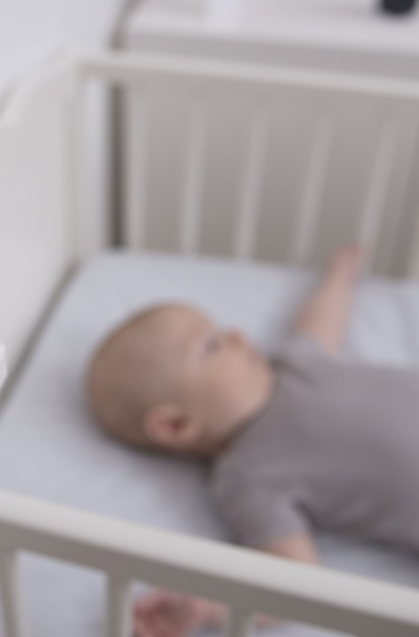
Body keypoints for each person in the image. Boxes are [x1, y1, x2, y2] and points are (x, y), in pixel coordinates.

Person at [86, 247, 419, 637]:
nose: (236, 334)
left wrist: (338, 277)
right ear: (176, 425)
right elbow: (290, 579)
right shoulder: (248, 475)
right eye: (210, 346)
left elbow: (319, 324)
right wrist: (202, 606)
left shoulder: (290, 364)